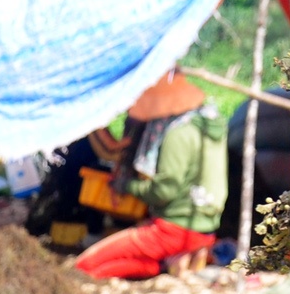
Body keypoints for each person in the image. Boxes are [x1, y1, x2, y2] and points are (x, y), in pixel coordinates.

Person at [72, 71, 227, 280]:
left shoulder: (178, 133)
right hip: (205, 229)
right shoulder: (207, 126)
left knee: (84, 265)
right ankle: (160, 266)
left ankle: (162, 262)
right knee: (125, 266)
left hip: (174, 229)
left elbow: (164, 190)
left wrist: (126, 185)